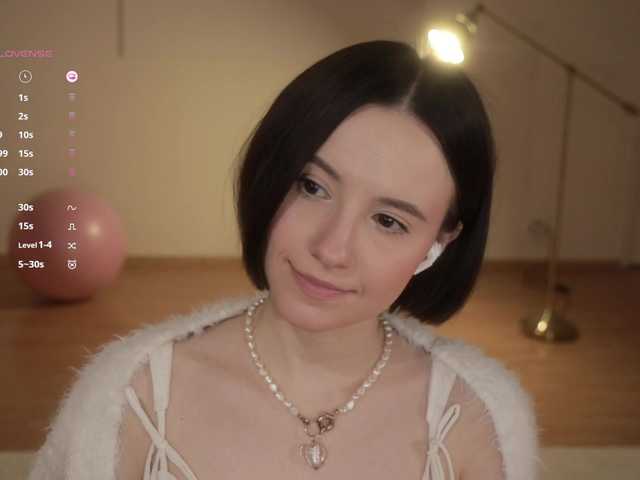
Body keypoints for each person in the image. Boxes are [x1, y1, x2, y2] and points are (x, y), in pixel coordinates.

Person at [28, 40, 540, 480]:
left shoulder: (481, 418)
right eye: (313, 187)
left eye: (388, 221)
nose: (331, 249)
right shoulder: (124, 397)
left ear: (440, 242)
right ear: (272, 172)